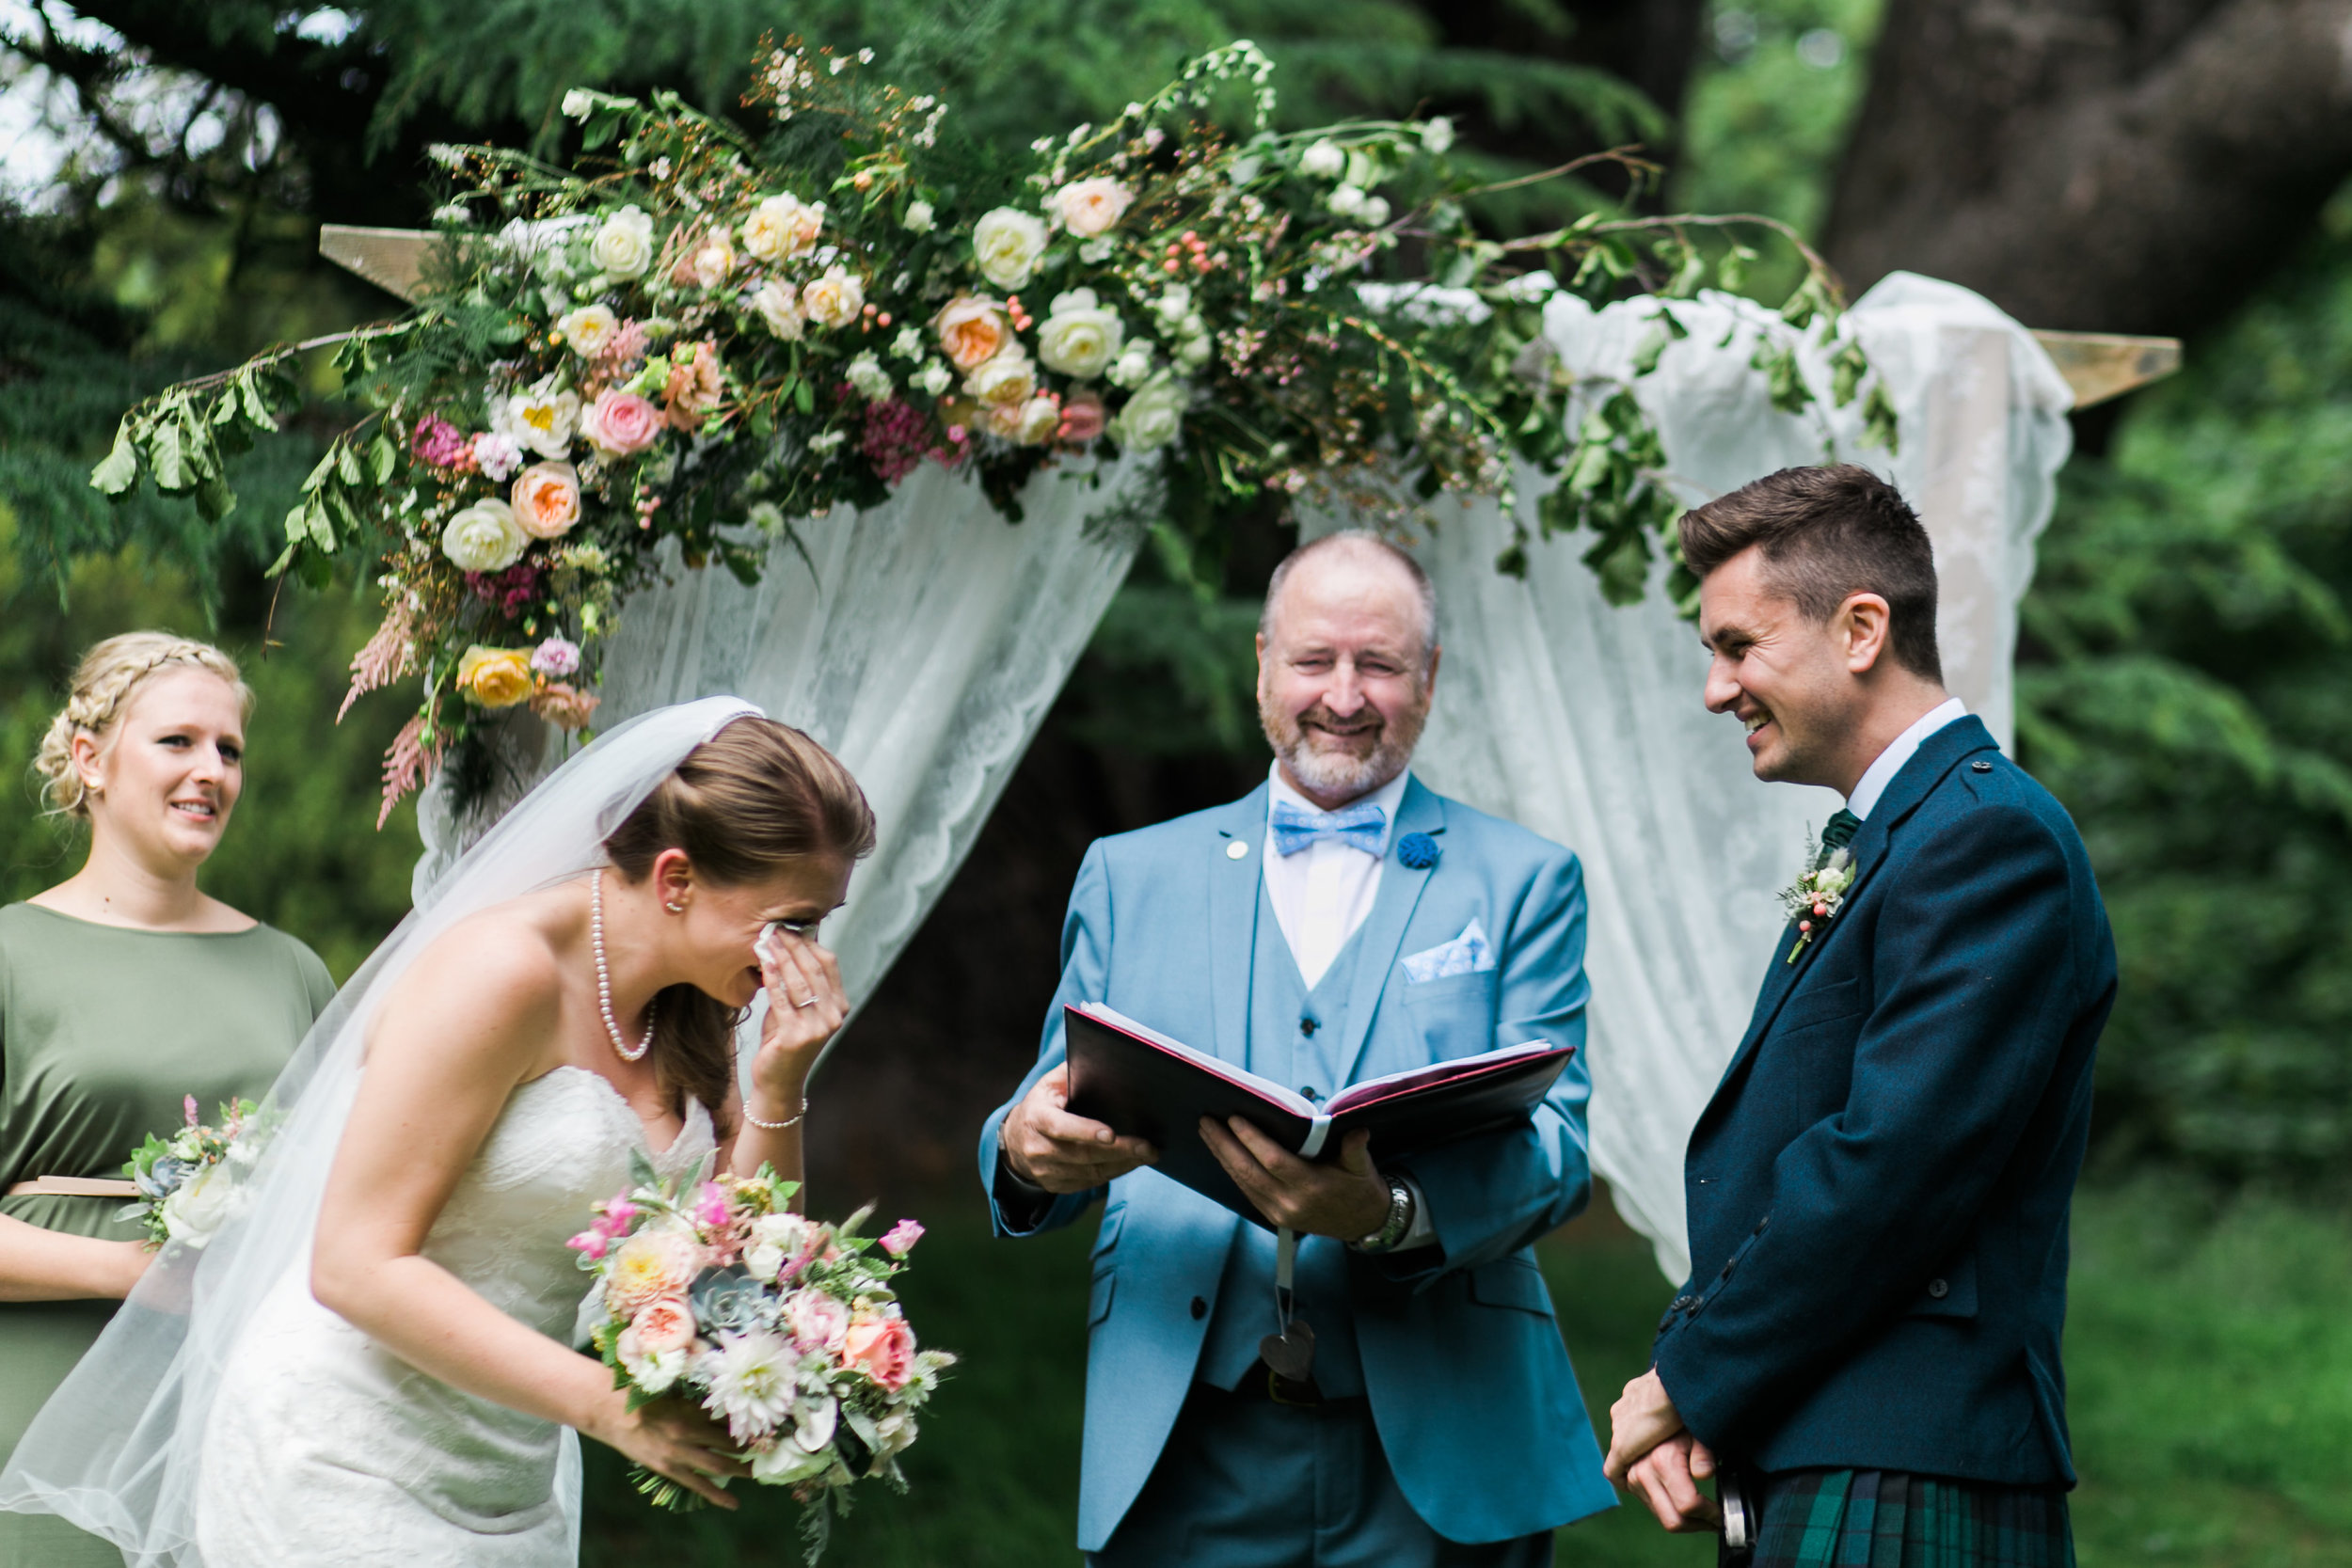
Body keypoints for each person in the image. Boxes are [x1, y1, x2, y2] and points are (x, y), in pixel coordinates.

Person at [0, 699, 874, 1566]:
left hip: (514, 1476)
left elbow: (740, 1268)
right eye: (792, 922)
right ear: (677, 879)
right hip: (342, 1459)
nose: (805, 956)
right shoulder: (501, 972)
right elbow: (353, 1263)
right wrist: (605, 1403)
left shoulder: (692, 1011)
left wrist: (780, 1081)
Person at [979, 531, 1615, 1566]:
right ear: (1263, 662)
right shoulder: (1128, 873)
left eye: (1380, 664)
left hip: (1440, 1442)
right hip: (1184, 1435)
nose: (1345, 695)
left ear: (1431, 676)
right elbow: (1047, 1099)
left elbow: (1557, 1151)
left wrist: (1391, 1214)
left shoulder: (1524, 879)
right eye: (1316, 660)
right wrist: (1024, 1147)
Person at [1602, 466, 2116, 1566]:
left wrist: (1684, 1377)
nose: (1714, 686)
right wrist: (1706, 1399)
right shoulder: (1893, 835)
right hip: (1842, 1442)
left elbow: (1885, 1168)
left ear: (1860, 629)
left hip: (1912, 1458)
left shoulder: (1986, 841)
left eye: (1737, 644)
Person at [0, 632, 336, 1568]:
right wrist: (138, 1272)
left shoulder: (292, 970)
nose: (211, 771)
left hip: (243, 1403)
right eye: (177, 741)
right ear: (90, 759)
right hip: (36, 1394)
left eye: (228, 749)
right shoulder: (9, 957)